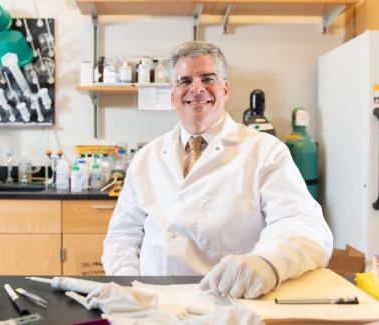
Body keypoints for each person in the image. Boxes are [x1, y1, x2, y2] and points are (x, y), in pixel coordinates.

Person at [102, 41, 333, 299]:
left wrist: (268, 263)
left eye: (208, 78)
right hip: (153, 305)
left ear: (225, 89)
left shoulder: (266, 152)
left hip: (229, 304)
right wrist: (129, 286)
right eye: (184, 81)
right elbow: (123, 235)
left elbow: (304, 224)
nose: (196, 88)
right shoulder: (146, 158)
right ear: (173, 95)